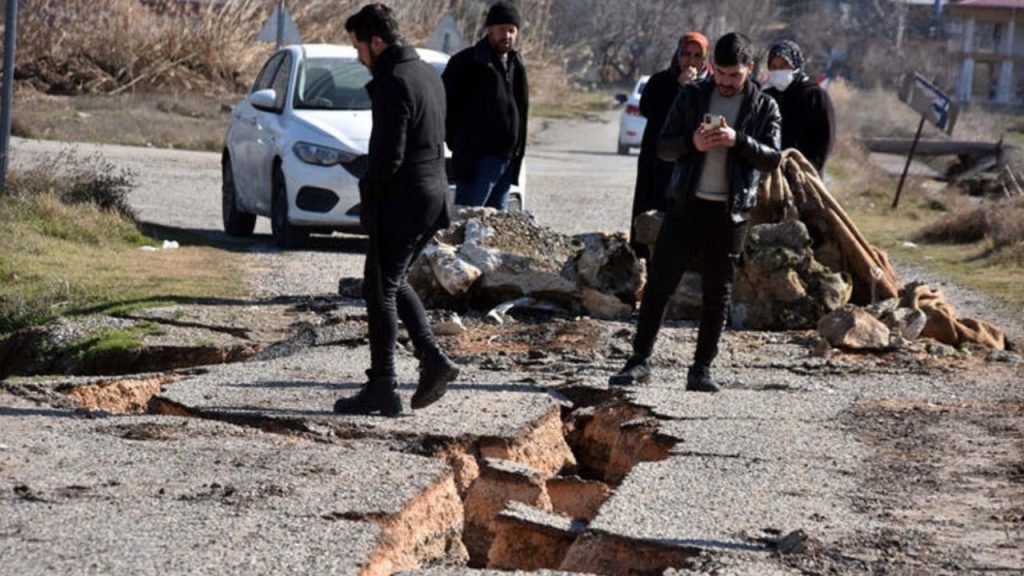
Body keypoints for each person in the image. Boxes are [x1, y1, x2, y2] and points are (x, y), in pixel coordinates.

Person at [609, 32, 781, 393]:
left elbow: (772, 157)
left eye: (734, 75)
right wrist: (693, 144)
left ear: (749, 69)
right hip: (687, 205)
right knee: (659, 285)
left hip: (731, 212)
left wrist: (739, 141)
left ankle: (701, 369)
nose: (726, 82)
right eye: (720, 73)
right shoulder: (691, 96)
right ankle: (640, 360)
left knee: (718, 292)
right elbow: (663, 147)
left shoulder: (764, 107)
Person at [334, 3, 459, 417]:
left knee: (380, 290)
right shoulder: (425, 73)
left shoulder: (395, 82)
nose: (358, 58)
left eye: (359, 48)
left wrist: (368, 188)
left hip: (404, 199)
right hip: (430, 195)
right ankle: (433, 361)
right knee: (390, 281)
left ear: (376, 41)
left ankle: (385, 385)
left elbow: (390, 156)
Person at [630, 31, 711, 260]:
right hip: (656, 162)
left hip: (691, 162)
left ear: (705, 60)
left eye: (697, 56)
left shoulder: (710, 88)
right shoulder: (660, 81)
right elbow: (649, 109)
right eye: (686, 54)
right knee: (648, 215)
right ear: (677, 55)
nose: (691, 61)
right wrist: (679, 88)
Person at [442, 0, 529, 210]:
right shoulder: (467, 62)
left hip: (507, 160)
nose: (507, 35)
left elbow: (520, 109)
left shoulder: (516, 63)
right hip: (477, 161)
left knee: (494, 229)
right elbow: (444, 107)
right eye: (501, 29)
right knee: (468, 220)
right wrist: (462, 144)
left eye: (511, 30)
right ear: (489, 29)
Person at [763, 40, 834, 174]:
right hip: (770, 175)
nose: (778, 71)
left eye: (784, 66)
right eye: (773, 66)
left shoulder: (815, 96)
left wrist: (807, 170)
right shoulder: (766, 98)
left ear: (796, 65)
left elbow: (825, 140)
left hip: (804, 176)